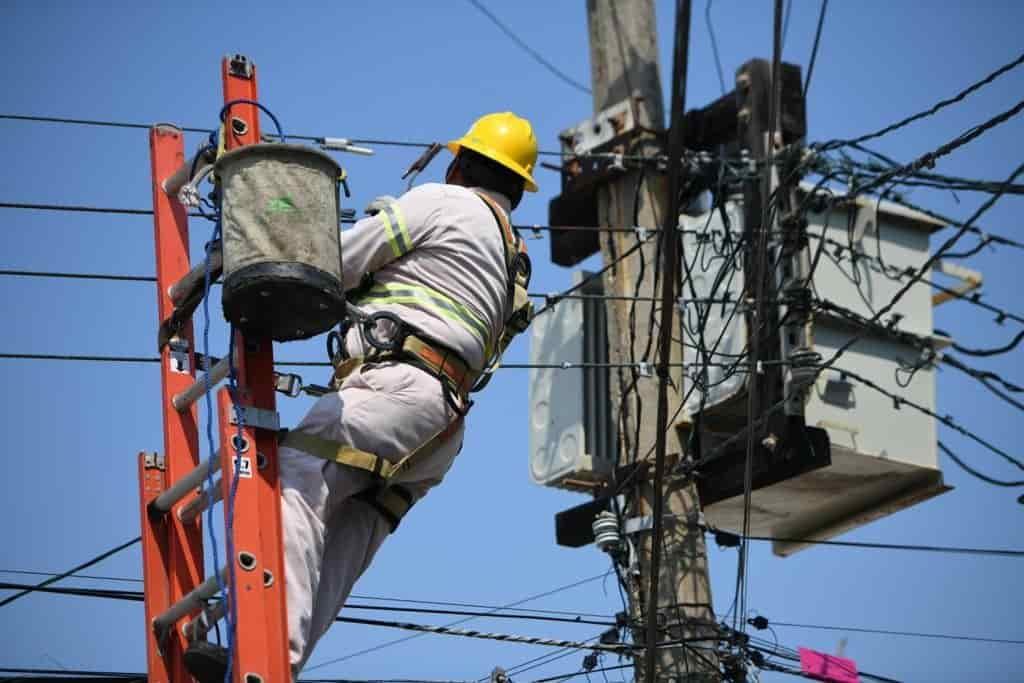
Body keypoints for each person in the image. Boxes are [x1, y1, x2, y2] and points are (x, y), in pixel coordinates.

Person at [185, 111, 539, 681]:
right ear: (518, 189)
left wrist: (267, 254)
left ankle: (264, 653)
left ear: (459, 163)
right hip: (442, 425)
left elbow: (338, 266)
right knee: (343, 542)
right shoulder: (513, 257)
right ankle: (282, 661)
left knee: (297, 476)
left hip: (398, 387)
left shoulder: (441, 202)